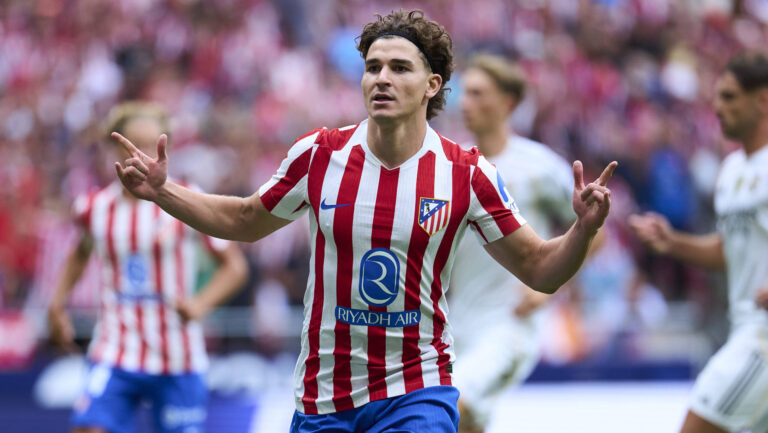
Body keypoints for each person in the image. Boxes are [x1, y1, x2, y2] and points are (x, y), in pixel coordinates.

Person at [112, 10, 616, 433]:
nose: (382, 78)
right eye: (373, 67)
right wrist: (163, 191)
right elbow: (245, 219)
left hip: (417, 386)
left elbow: (539, 268)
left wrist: (583, 229)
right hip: (324, 394)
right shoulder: (319, 155)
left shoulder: (466, 173)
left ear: (432, 85)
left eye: (399, 68)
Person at [48, 102, 249, 433]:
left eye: (149, 145)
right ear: (115, 148)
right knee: (88, 428)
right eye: (133, 144)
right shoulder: (93, 208)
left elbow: (235, 267)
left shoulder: (188, 200)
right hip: (115, 347)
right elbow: (80, 252)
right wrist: (57, 305)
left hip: (177, 353)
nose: (140, 154)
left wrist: (199, 304)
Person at [629, 52, 768, 433]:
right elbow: (730, 250)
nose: (718, 108)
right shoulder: (732, 170)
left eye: (729, 97)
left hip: (761, 338)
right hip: (742, 327)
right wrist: (672, 243)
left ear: (763, 100)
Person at [448, 54, 577, 433]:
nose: (465, 103)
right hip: (456, 323)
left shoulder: (539, 166)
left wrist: (552, 288)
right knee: (467, 421)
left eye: (477, 93)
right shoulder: (452, 165)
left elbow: (593, 231)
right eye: (464, 93)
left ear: (507, 102)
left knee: (450, 405)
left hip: (510, 324)